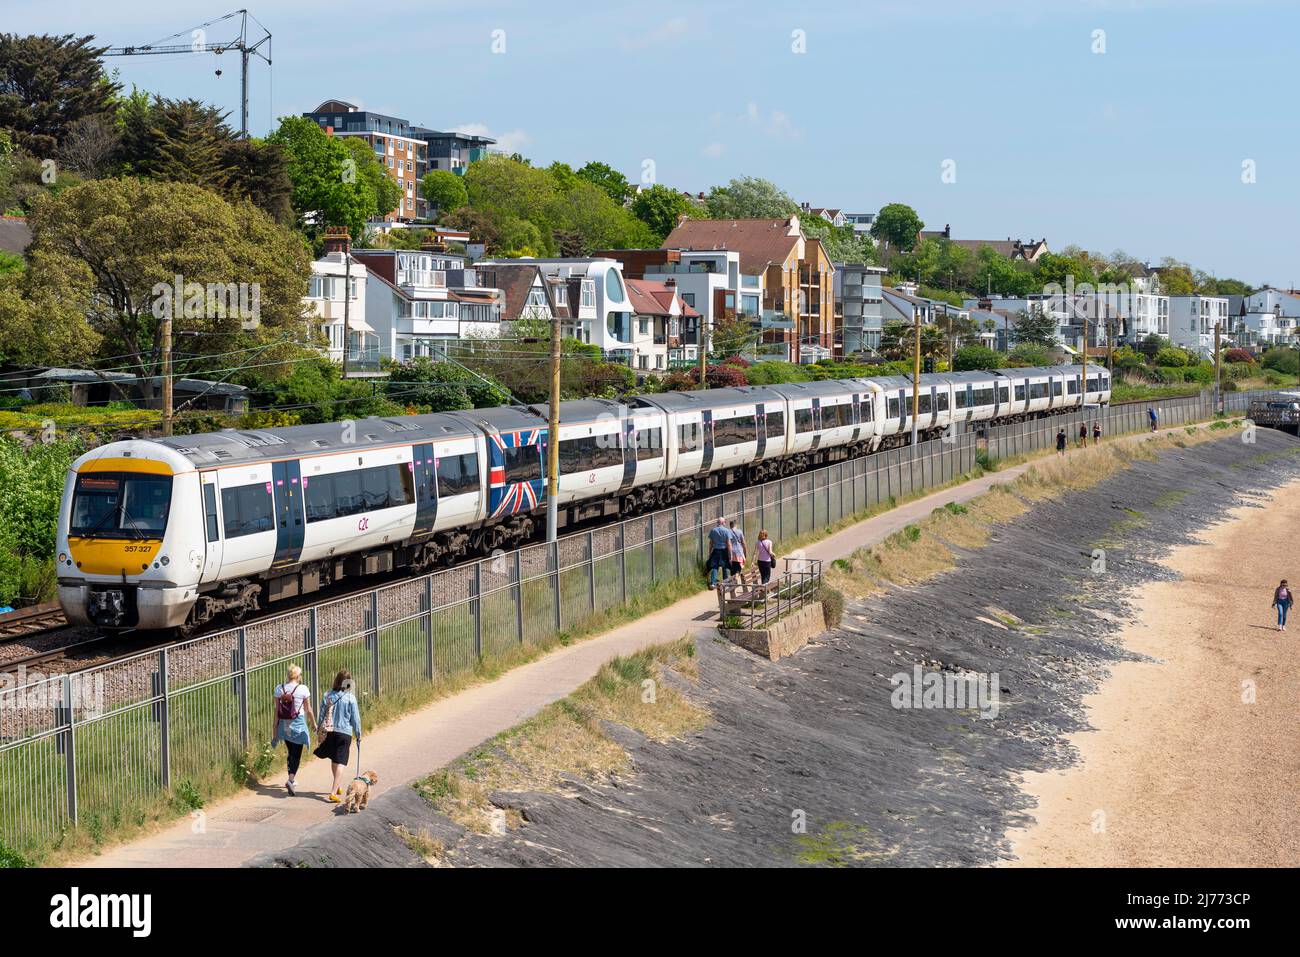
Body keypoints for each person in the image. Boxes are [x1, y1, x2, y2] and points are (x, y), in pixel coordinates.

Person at [314, 669, 362, 803]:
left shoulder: (328, 695)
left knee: (334, 759)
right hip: (344, 732)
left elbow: (322, 714)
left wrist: (319, 729)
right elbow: (355, 719)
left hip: (330, 732)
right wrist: (358, 734)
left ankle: (338, 785)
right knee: (341, 762)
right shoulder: (351, 698)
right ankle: (333, 792)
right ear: (348, 683)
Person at [271, 665, 315, 796]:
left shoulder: (279, 689)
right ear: (298, 676)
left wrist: (275, 730)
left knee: (291, 751)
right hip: (298, 725)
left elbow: (277, 710)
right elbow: (308, 710)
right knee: (297, 753)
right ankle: (290, 780)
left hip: (284, 725)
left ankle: (291, 777)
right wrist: (314, 724)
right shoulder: (303, 689)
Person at [707, 518, 733, 589]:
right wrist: (730, 554)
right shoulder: (727, 531)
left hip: (716, 550)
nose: (725, 523)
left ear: (718, 522)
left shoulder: (713, 530)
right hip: (724, 550)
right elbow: (729, 544)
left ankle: (713, 583)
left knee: (715, 566)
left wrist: (709, 552)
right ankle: (726, 583)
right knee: (725, 566)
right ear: (723, 522)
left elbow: (711, 543)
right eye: (725, 522)